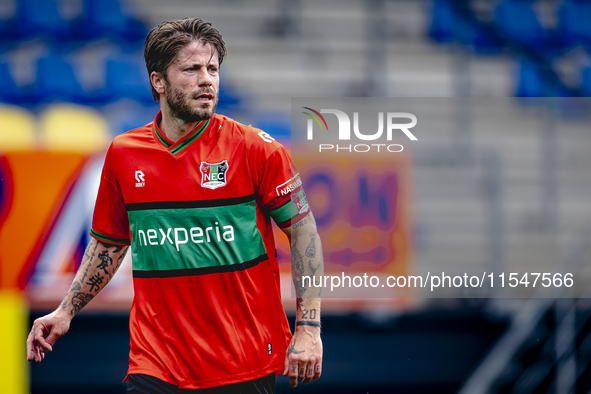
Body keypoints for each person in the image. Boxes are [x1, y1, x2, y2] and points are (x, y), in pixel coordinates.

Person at [26, 17, 323, 393]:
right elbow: (111, 243)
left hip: (242, 362)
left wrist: (309, 328)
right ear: (158, 82)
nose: (207, 80)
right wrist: (66, 310)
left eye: (213, 69)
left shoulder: (257, 150)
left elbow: (305, 231)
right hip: (156, 362)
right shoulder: (124, 155)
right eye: (192, 69)